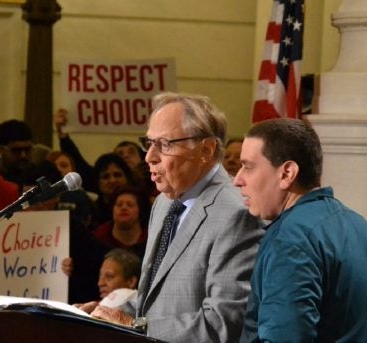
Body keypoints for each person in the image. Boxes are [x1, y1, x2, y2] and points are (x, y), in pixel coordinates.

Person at [89, 92, 264, 342]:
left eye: (165, 144)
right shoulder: (164, 202)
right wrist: (102, 314)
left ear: (205, 149)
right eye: (148, 143)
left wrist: (137, 327)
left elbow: (223, 324)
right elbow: (155, 299)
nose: (150, 156)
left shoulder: (236, 214)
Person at [234, 118, 367, 342]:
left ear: (287, 173)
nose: (237, 179)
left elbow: (285, 337)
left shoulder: (290, 238)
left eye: (248, 167)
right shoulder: (362, 228)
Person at [92, 188, 150, 258]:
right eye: (119, 205)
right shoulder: (97, 238)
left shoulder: (151, 238)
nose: (124, 208)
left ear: (140, 211)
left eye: (130, 205)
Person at [90, 153, 137, 231]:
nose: (112, 181)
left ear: (127, 178)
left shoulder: (141, 206)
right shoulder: (92, 211)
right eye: (106, 177)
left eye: (117, 175)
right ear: (97, 183)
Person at [0, 119, 39, 186]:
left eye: (27, 149)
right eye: (16, 151)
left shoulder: (38, 174)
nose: (23, 155)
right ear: (1, 150)